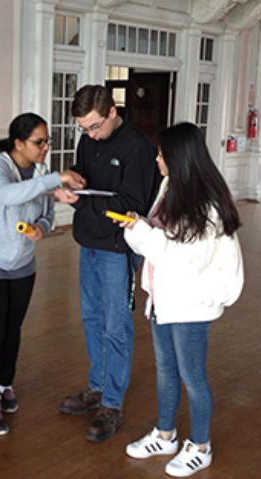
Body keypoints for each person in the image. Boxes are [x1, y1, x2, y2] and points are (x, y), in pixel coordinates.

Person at [119, 122, 244, 477]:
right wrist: (138, 226)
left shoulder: (206, 206)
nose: (157, 158)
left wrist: (143, 232)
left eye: (161, 152)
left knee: (192, 376)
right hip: (163, 298)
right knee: (165, 371)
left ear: (178, 157)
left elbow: (184, 259)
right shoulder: (171, 185)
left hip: (190, 303)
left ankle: (200, 445)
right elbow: (159, 241)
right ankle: (165, 434)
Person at [0, 112, 85, 436]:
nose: (45, 148)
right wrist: (55, 180)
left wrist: (42, 228)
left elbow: (46, 212)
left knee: (12, 329)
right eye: (38, 142)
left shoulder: (38, 172)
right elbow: (8, 194)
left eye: (47, 142)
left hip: (21, 266)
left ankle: (4, 385)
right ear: (18, 143)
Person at [55, 85, 160, 442]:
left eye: (95, 126)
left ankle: (112, 404)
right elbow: (84, 180)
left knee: (116, 326)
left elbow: (131, 205)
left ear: (113, 112)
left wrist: (85, 203)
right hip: (89, 242)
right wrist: (71, 186)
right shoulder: (88, 142)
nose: (90, 134)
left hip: (119, 249)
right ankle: (96, 387)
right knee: (91, 318)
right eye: (84, 128)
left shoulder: (138, 148)